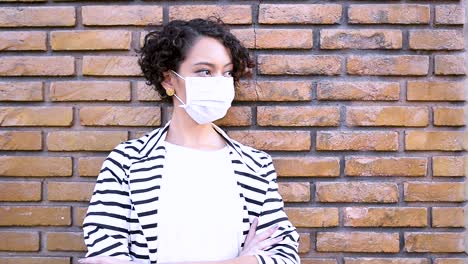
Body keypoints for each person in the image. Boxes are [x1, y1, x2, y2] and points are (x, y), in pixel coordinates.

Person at [79, 18, 300, 264]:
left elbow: (285, 256)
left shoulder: (255, 165)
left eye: (226, 72)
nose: (219, 81)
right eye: (205, 71)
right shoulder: (127, 162)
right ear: (169, 79)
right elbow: (105, 259)